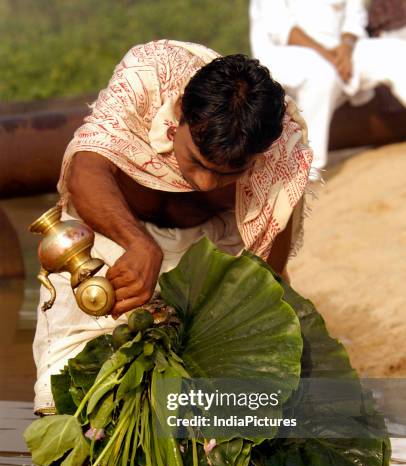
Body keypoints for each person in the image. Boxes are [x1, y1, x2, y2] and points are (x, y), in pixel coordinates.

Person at [33, 39, 313, 415]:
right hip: (110, 236)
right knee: (66, 398)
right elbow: (87, 168)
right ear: (179, 112)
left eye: (228, 174)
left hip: (211, 258)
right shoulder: (150, 74)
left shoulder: (283, 154)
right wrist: (140, 245)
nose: (206, 184)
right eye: (197, 161)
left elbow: (264, 274)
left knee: (206, 411)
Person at [249, 0, 406, 170]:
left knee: (396, 53)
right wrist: (330, 57)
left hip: (342, 51)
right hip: (286, 55)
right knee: (321, 75)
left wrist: (346, 48)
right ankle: (310, 168)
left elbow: (355, 14)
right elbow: (282, 29)